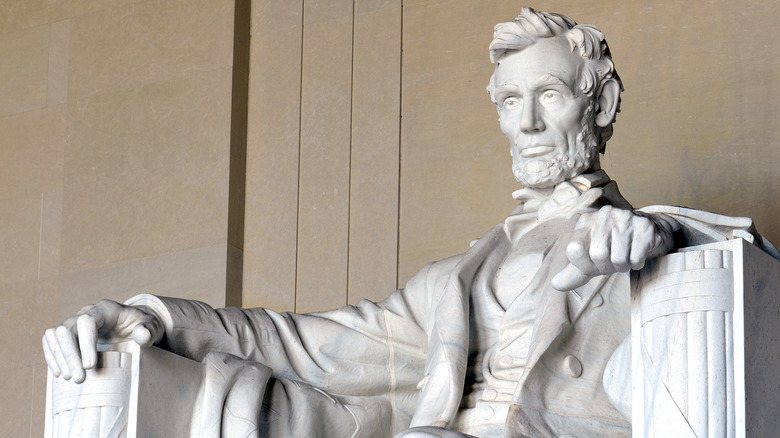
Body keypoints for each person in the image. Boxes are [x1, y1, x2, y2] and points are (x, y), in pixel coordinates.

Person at [42, 8, 776, 438]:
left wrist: (651, 242)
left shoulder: (659, 244)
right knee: (232, 393)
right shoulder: (451, 283)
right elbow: (307, 344)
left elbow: (735, 257)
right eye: (508, 101)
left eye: (549, 95)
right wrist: (144, 315)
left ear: (601, 105)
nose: (524, 123)